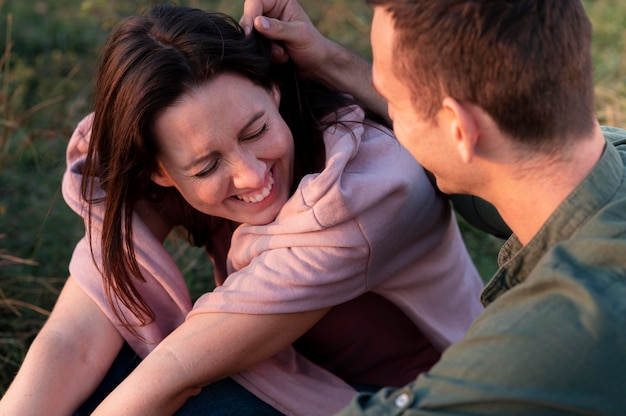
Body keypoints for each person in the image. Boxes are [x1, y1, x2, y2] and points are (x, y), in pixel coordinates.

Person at [0, 4, 485, 416]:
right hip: (281, 377)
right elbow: (73, 339)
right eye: (208, 165)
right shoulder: (160, 160)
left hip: (406, 401)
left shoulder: (364, 195)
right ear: (160, 172)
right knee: (93, 375)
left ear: (272, 91)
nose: (252, 175)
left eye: (255, 132)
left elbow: (176, 373)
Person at [240, 0, 626, 414]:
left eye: (393, 101)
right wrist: (328, 59)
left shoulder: (540, 348)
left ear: (460, 129)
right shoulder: (596, 162)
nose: (387, 114)